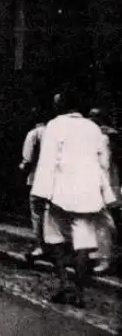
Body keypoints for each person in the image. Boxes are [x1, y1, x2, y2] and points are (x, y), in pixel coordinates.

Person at [31, 90, 116, 307]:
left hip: (60, 192)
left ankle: (64, 285)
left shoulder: (54, 125)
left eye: (56, 102)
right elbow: (103, 163)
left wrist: (40, 193)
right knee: (84, 243)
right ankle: (79, 292)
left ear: (62, 105)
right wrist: (104, 192)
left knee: (55, 239)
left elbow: (47, 161)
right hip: (87, 194)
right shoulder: (93, 128)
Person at [88, 107, 121, 274]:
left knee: (103, 221)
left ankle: (105, 258)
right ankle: (100, 253)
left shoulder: (103, 137)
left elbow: (104, 164)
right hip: (107, 181)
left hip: (104, 182)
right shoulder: (107, 136)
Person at [18, 107, 47, 265]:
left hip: (37, 178)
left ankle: (40, 246)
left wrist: (22, 168)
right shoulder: (54, 132)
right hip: (55, 179)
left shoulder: (34, 134)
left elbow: (27, 158)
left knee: (37, 213)